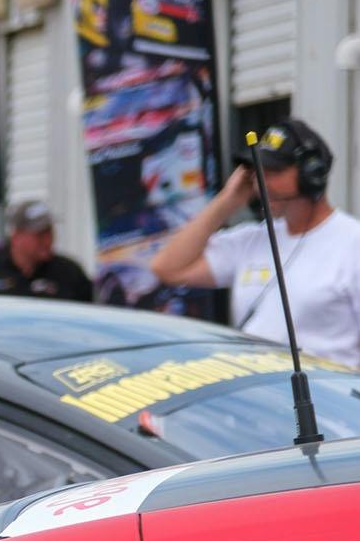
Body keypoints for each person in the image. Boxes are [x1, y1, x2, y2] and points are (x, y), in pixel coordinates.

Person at [152, 119, 360, 367]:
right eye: (256, 174)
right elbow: (167, 268)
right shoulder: (251, 239)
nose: (261, 184)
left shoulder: (352, 243)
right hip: (259, 397)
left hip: (327, 398)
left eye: (272, 173)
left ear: (311, 174)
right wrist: (227, 200)